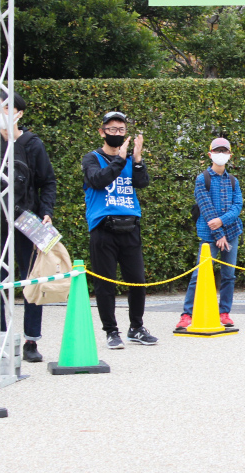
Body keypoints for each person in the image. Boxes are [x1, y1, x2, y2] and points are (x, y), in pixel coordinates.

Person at [82, 111, 158, 349]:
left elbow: (142, 182)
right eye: (112, 129)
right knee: (106, 283)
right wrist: (119, 159)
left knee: (137, 280)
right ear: (102, 131)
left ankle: (136, 327)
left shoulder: (128, 159)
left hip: (130, 225)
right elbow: (98, 180)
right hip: (103, 227)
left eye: (121, 130)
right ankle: (111, 331)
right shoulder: (92, 158)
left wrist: (136, 160)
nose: (117, 134)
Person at [0, 90, 56, 363]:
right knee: (0, 281)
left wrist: (46, 212)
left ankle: (31, 340)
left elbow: (47, 181)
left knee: (34, 278)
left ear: (19, 112)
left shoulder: (33, 143)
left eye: (7, 108)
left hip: (27, 217)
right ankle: (2, 336)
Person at [176, 138, 243, 331]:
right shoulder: (202, 179)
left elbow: (237, 205)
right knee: (199, 274)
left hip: (231, 232)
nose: (220, 154)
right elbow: (206, 209)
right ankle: (187, 314)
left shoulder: (233, 180)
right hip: (209, 234)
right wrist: (219, 233)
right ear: (210, 154)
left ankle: (224, 312)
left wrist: (222, 222)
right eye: (217, 150)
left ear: (230, 155)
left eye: (224, 151)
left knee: (229, 275)